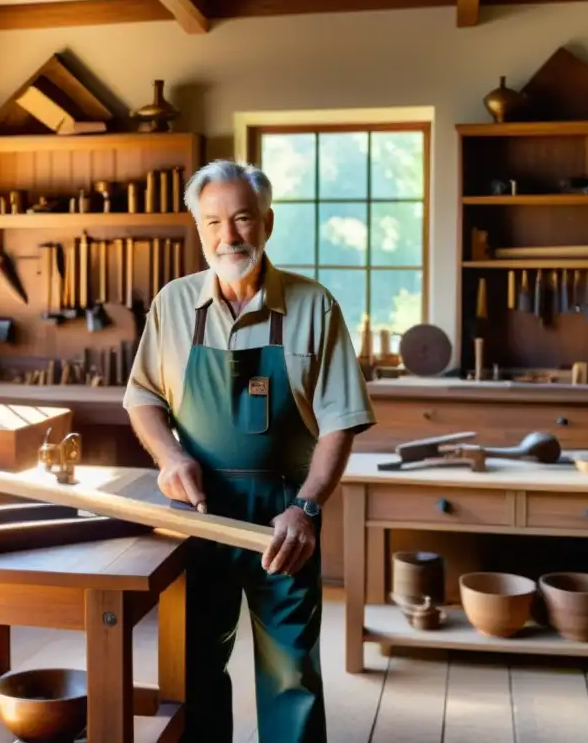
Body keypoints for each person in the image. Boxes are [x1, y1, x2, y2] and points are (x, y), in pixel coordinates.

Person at [123, 159, 376, 743]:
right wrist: (169, 457)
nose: (227, 236)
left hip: (284, 520)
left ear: (266, 221)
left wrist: (307, 508)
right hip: (198, 511)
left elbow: (341, 423)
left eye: (240, 220)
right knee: (195, 667)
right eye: (212, 222)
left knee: (291, 673)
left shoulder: (315, 307)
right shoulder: (172, 304)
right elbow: (142, 398)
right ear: (198, 227)